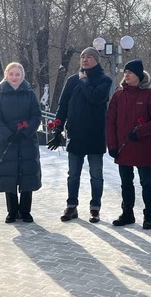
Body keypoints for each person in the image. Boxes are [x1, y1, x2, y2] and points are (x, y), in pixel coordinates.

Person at [48, 47, 113, 223]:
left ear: (97, 60)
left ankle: (95, 208)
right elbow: (62, 107)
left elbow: (95, 97)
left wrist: (84, 80)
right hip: (75, 134)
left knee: (96, 174)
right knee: (73, 174)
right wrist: (57, 130)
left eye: (89, 57)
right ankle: (71, 206)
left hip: (95, 135)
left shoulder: (105, 80)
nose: (84, 59)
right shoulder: (71, 81)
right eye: (83, 56)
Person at [106, 60, 151, 229]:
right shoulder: (118, 96)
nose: (126, 75)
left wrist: (141, 132)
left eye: (130, 72)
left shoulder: (150, 95)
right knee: (126, 182)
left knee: (146, 182)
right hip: (122, 147)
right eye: (125, 71)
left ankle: (149, 214)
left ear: (139, 75)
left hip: (142, 147)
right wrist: (112, 145)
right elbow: (110, 121)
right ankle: (127, 213)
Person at [0, 62, 42, 223]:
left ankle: (25, 211)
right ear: (6, 75)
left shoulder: (29, 93)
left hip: (26, 141)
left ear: (22, 76)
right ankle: (12, 211)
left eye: (17, 74)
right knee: (9, 175)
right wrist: (8, 134)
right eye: (11, 74)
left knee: (27, 174)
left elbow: (36, 115)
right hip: (7, 141)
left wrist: (26, 133)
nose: (14, 77)